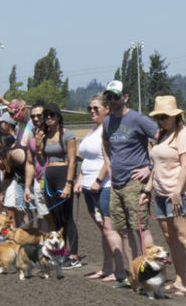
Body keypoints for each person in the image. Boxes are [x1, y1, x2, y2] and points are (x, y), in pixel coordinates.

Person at [97, 79, 161, 284]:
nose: (113, 101)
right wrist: (109, 165)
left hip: (135, 183)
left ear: (125, 97)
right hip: (117, 184)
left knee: (140, 228)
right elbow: (105, 145)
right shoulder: (108, 122)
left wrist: (149, 168)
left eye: (117, 96)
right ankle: (135, 274)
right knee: (123, 231)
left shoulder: (138, 119)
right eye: (110, 97)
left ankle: (150, 273)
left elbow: (163, 139)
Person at [142, 96, 186, 296]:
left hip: (179, 193)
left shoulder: (183, 134)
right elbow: (155, 168)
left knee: (185, 237)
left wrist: (177, 191)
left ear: (176, 116)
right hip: (160, 194)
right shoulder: (161, 135)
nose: (161, 120)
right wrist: (147, 190)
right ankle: (179, 279)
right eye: (158, 117)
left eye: (165, 117)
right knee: (170, 238)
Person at [76, 95, 121, 280]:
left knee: (108, 228)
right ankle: (107, 267)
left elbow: (109, 158)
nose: (92, 111)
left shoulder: (109, 129)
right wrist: (80, 179)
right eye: (90, 108)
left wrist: (98, 179)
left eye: (96, 108)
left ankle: (119, 270)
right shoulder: (93, 130)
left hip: (103, 187)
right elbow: (87, 159)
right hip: (88, 186)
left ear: (107, 109)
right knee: (102, 229)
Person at [35, 105, 81, 268]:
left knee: (67, 217)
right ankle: (61, 252)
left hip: (63, 175)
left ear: (58, 117)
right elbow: (41, 161)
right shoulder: (45, 135)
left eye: (51, 115)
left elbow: (72, 161)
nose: (48, 118)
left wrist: (69, 183)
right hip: (49, 176)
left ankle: (73, 255)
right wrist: (39, 146)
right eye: (46, 116)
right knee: (55, 217)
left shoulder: (67, 135)